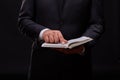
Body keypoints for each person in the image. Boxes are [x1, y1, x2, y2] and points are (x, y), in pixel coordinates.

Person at [18, 0, 104, 80]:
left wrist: (83, 45)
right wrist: (43, 32)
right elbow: (24, 20)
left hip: (78, 65)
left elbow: (97, 24)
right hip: (42, 65)